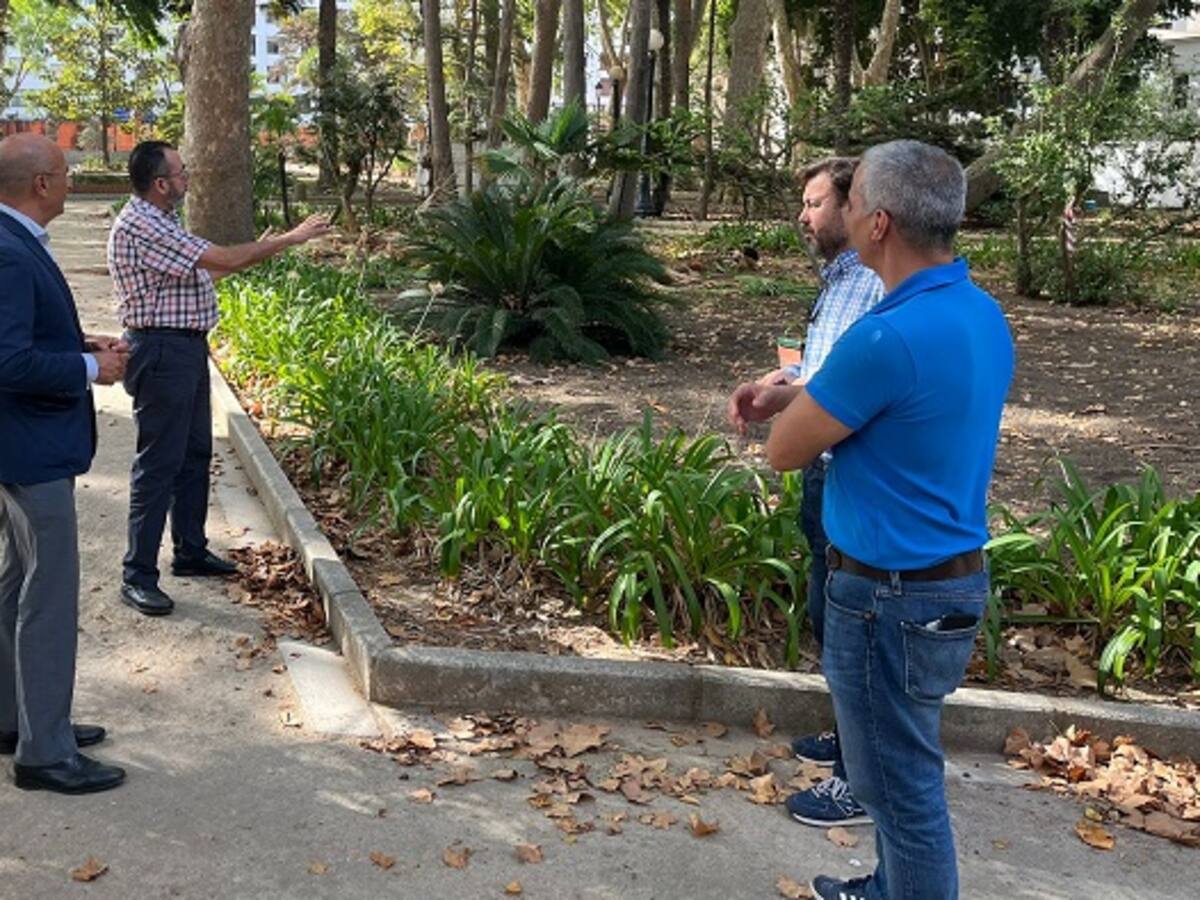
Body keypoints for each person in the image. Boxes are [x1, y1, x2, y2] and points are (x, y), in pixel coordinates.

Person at [728, 140, 1014, 900]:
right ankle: (890, 888)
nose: (840, 213)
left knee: (898, 787)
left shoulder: (885, 337)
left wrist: (791, 407)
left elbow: (785, 453)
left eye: (850, 203)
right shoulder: (979, 314)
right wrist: (810, 395)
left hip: (886, 596)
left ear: (878, 223)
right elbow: (903, 415)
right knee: (900, 767)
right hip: (948, 583)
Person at [109, 140, 328, 617]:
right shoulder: (145, 224)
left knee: (193, 455)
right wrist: (289, 239)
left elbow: (206, 273)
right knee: (159, 464)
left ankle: (189, 551)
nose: (188, 178)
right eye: (181, 173)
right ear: (161, 183)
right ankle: (137, 575)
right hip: (163, 351)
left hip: (182, 348)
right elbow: (224, 259)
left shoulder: (162, 221)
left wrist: (260, 249)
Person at [749, 157, 884, 830]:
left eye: (815, 203)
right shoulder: (839, 284)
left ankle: (860, 780)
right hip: (824, 467)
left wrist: (789, 398)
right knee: (829, 608)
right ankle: (850, 739)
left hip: (849, 471)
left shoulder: (875, 284)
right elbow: (826, 367)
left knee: (854, 622)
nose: (804, 216)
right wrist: (784, 379)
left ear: (857, 209)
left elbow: (852, 388)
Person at [0, 133, 129, 793]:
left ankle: (16, 718)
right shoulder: (10, 253)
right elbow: (7, 361)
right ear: (42, 184)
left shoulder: (14, 243)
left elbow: (22, 338)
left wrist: (80, 344)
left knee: (16, 583)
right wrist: (89, 367)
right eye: (67, 174)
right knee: (47, 597)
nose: (74, 183)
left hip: (21, 445)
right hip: (29, 449)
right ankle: (44, 753)